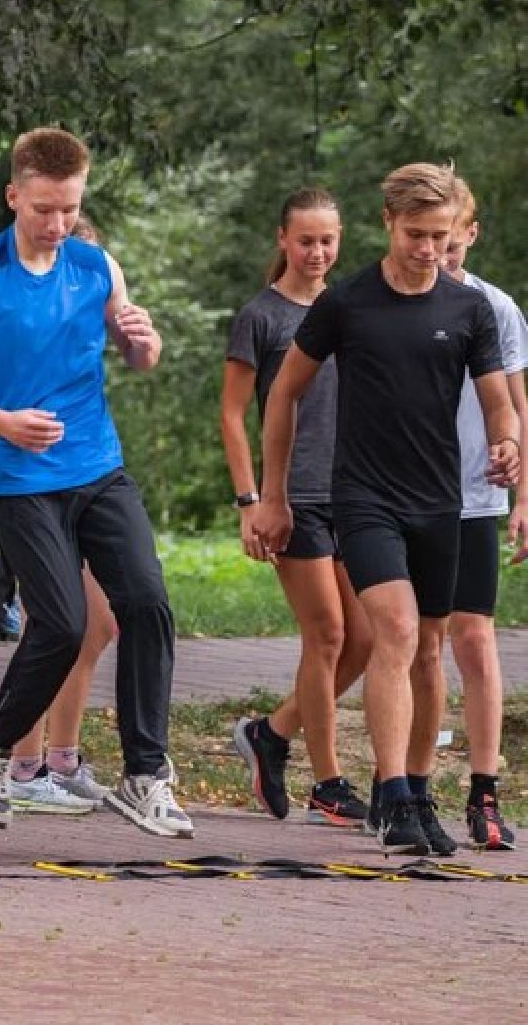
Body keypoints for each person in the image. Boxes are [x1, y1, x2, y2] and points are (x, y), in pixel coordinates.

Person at [0, 126, 194, 839]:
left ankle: (145, 776)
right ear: (14, 195)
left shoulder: (97, 267)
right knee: (62, 625)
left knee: (148, 603)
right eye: (43, 208)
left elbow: (138, 357)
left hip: (97, 465)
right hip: (19, 478)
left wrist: (145, 342)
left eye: (69, 208)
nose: (57, 223)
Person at [253, 163, 520, 856]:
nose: (427, 249)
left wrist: (509, 441)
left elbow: (496, 397)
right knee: (396, 632)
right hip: (364, 498)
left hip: (441, 501)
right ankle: (394, 792)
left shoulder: (470, 310)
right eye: (414, 234)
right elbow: (283, 394)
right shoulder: (346, 304)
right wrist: (273, 493)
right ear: (388, 225)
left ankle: (418, 793)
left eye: (438, 235)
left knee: (430, 651)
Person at [222, 188, 374, 827]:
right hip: (293, 500)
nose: (317, 252)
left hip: (355, 496)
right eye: (306, 240)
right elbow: (233, 413)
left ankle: (272, 732)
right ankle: (328, 783)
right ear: (283, 240)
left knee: (365, 640)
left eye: (328, 240)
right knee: (328, 634)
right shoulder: (261, 316)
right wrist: (250, 501)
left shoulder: (350, 309)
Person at [420, 175, 526, 849]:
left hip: (476, 494)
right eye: (433, 243)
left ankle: (485, 789)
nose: (443, 256)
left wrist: (524, 495)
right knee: (419, 643)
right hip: (409, 494)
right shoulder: (394, 301)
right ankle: (413, 785)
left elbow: (516, 405)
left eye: (453, 245)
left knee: (475, 639)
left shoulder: (497, 308)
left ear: (471, 235)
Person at [5, 213, 117, 815]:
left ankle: (62, 760)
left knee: (98, 623)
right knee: (50, 623)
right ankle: (23, 768)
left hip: (89, 478)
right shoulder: (26, 322)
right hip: (35, 487)